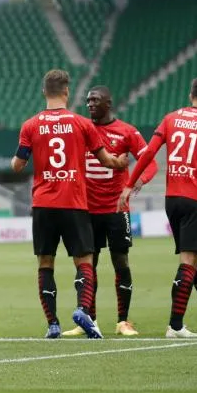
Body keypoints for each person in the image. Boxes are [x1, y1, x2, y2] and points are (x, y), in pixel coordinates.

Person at [11, 69, 128, 340]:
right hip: (74, 202)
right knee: (84, 260)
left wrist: (21, 158)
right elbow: (106, 159)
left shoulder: (31, 125)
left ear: (44, 92)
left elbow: (17, 165)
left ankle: (53, 324)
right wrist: (120, 162)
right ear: (66, 92)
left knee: (45, 262)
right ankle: (83, 309)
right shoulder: (81, 124)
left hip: (43, 204)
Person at [120, 76, 197, 337]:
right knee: (189, 261)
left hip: (172, 199)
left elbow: (148, 153)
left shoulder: (170, 118)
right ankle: (175, 326)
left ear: (190, 96)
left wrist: (129, 184)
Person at [62, 86, 157, 337]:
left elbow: (151, 163)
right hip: (86, 210)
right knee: (87, 265)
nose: (90, 103)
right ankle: (88, 320)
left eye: (95, 100)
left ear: (109, 103)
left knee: (120, 262)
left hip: (116, 209)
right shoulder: (82, 129)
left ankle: (123, 321)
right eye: (88, 100)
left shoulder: (127, 131)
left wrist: (136, 181)